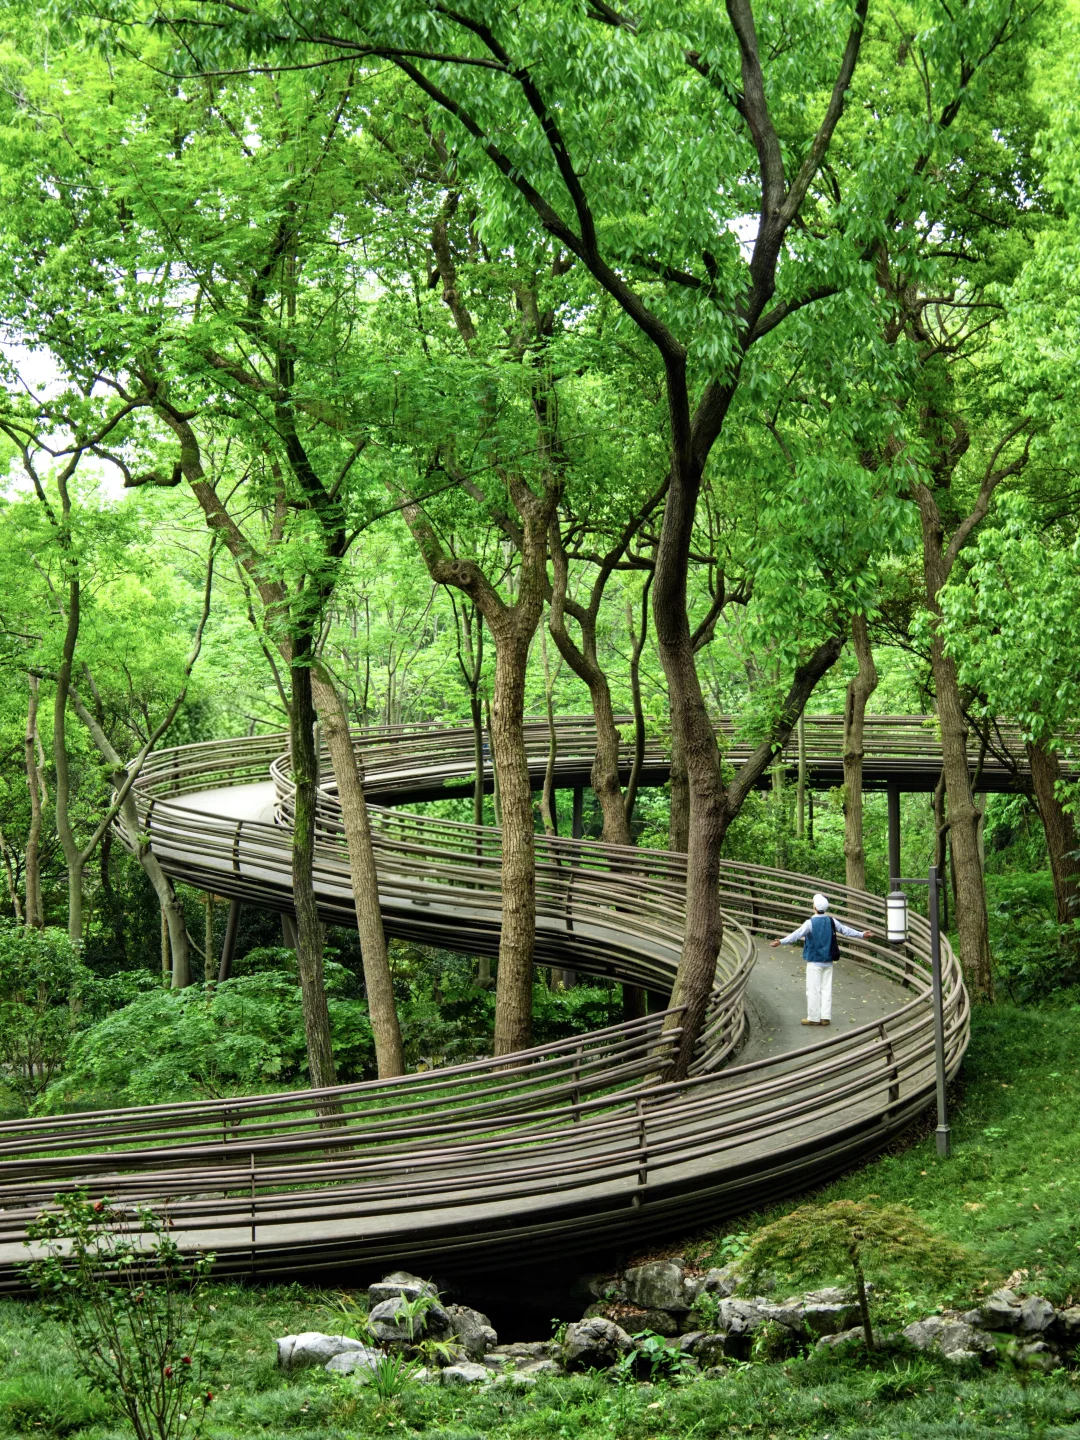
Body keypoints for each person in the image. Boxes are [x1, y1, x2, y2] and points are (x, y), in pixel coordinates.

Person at [769, 893, 875, 1027]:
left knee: (813, 990)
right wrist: (861, 934)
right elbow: (846, 931)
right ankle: (825, 1017)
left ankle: (813, 1017)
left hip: (814, 961)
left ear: (814, 907)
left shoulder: (810, 923)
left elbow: (796, 935)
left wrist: (781, 942)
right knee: (826, 989)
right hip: (828, 961)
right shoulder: (832, 921)